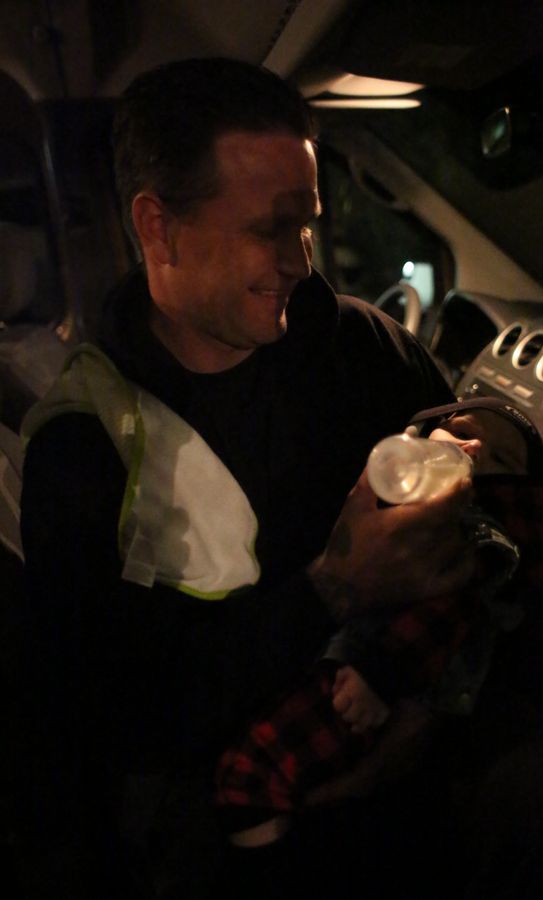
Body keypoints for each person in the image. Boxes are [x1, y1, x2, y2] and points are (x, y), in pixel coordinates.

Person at [16, 57, 475, 899]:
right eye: (271, 229)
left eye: (309, 225)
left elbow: (469, 443)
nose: (301, 260)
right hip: (240, 830)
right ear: (158, 228)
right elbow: (118, 722)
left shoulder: (354, 343)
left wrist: (494, 449)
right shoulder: (85, 448)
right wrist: (335, 587)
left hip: (421, 757)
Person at [214, 397, 543, 848]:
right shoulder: (393, 493)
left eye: (502, 459)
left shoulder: (478, 535)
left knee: (273, 763)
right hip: (341, 659)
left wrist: (378, 668)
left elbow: (443, 614)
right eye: (461, 429)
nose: (474, 446)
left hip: (391, 680)